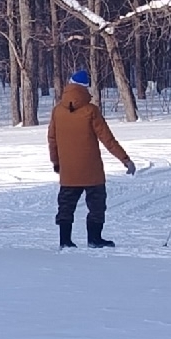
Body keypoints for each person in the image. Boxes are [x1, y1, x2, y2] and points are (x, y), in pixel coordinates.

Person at [47, 72, 133, 249]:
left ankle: (65, 240)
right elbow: (107, 139)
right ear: (86, 87)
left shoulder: (57, 111)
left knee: (66, 205)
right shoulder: (91, 111)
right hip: (91, 170)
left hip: (68, 170)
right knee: (96, 205)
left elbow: (52, 139)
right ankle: (94, 239)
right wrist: (125, 159)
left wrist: (56, 163)